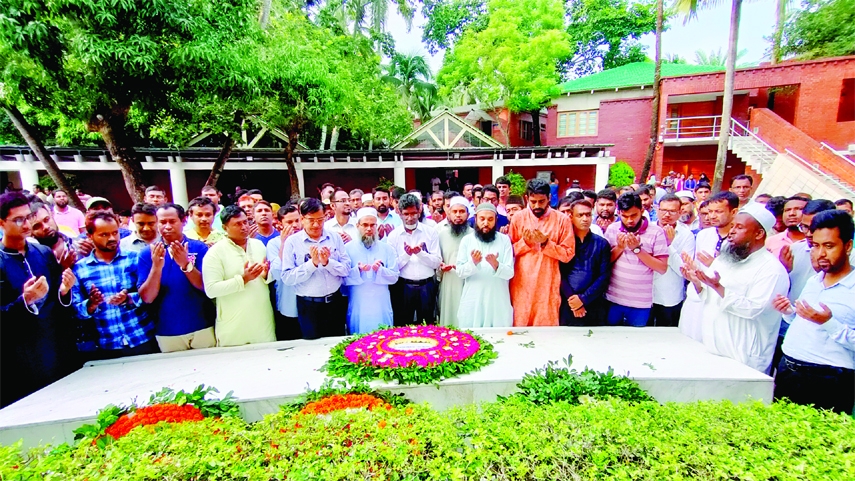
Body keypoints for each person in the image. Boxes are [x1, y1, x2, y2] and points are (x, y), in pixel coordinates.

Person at [681, 203, 789, 373]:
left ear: (759, 234)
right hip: (713, 347)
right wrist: (697, 281)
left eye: (739, 227)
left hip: (744, 354)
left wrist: (717, 287)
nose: (731, 231)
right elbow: (707, 295)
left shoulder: (772, 270)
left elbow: (754, 309)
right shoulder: (725, 258)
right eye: (732, 226)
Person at [772, 210, 855, 413]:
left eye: (829, 246)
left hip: (829, 378)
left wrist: (828, 322)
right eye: (815, 246)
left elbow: (824, 323)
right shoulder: (814, 280)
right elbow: (805, 322)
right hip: (789, 369)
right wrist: (789, 312)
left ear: (848, 246)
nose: (820, 254)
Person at [0, 192, 77, 407]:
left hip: (54, 345)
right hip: (17, 354)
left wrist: (63, 291)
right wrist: (25, 301)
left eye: (28, 217)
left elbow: (57, 303)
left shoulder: (42, 252)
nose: (26, 224)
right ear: (1, 223)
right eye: (18, 219)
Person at [71, 211, 155, 360]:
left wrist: (129, 298)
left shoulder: (134, 259)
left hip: (142, 338)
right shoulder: (80, 269)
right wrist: (91, 305)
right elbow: (76, 311)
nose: (112, 238)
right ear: (90, 236)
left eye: (115, 233)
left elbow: (151, 295)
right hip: (107, 346)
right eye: (104, 235)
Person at [138, 204, 214, 352]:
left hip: (202, 326)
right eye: (162, 222)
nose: (167, 227)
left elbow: (206, 287)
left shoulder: (198, 248)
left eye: (172, 221)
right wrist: (156, 267)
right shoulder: (148, 254)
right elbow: (147, 297)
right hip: (167, 331)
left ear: (183, 221)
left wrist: (186, 265)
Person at [202, 205, 276, 346]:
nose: (244, 227)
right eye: (237, 224)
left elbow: (267, 277)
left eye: (245, 222)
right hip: (234, 326)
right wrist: (243, 279)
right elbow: (211, 290)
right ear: (225, 228)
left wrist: (266, 275)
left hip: (262, 320)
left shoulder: (258, 245)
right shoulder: (215, 253)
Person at [281, 198, 350, 339]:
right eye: (311, 220)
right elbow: (287, 278)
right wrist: (311, 264)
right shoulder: (292, 242)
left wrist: (327, 263)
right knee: (312, 347)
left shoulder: (334, 238)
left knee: (336, 344)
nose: (316, 224)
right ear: (302, 218)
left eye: (320, 219)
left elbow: (346, 269)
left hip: (334, 303)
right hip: (308, 306)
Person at [509, 179, 575, 326]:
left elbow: (568, 254)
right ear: (526, 198)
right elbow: (509, 253)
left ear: (549, 198)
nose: (537, 206)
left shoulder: (562, 220)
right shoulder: (518, 218)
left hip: (548, 284)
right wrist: (525, 242)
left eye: (541, 201)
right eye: (533, 201)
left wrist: (546, 243)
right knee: (520, 327)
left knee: (546, 331)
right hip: (521, 284)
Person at [679, 192, 739, 341]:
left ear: (734, 212)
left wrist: (714, 264)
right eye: (709, 211)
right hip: (698, 297)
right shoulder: (704, 235)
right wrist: (692, 270)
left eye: (718, 211)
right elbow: (698, 267)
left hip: (722, 301)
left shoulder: (739, 240)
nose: (712, 216)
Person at [604, 192, 669, 327]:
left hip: (641, 304)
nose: (629, 220)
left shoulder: (656, 232)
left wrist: (637, 249)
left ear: (642, 210)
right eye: (624, 216)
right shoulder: (612, 229)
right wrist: (619, 248)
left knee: (636, 342)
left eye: (633, 215)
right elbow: (604, 263)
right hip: (612, 299)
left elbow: (662, 268)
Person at [455, 203, 514, 328]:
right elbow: (460, 272)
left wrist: (496, 264)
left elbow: (509, 273)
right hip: (473, 299)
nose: (486, 223)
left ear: (496, 220)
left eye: (490, 219)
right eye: (482, 219)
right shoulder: (467, 240)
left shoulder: (504, 240)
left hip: (497, 299)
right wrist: (473, 263)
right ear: (476, 219)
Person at [387, 193, 442, 325]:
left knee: (428, 324)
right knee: (403, 325)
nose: (410, 218)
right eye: (406, 214)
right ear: (399, 213)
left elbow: (437, 262)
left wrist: (421, 253)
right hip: (404, 287)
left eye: (413, 213)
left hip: (427, 286)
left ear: (419, 211)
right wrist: (407, 255)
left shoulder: (430, 232)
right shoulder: (393, 236)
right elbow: (393, 267)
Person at [344, 208, 400, 333]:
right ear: (357, 226)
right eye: (365, 225)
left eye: (372, 225)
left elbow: (395, 277)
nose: (369, 229)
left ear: (377, 226)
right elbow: (342, 278)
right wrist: (358, 270)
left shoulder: (387, 249)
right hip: (358, 301)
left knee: (383, 337)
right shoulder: (347, 249)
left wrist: (380, 270)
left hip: (381, 302)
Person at [559, 200, 611, 326]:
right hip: (568, 303)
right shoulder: (564, 242)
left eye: (588, 215)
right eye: (580, 215)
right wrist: (574, 302)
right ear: (571, 217)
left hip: (594, 303)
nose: (585, 219)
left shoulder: (601, 243)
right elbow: (559, 273)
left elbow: (603, 277)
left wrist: (583, 299)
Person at [651, 195, 695, 327]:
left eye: (672, 211)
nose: (667, 215)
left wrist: (668, 246)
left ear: (680, 212)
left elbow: (683, 270)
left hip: (670, 296)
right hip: (646, 294)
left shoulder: (686, 235)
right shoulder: (649, 229)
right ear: (657, 209)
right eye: (663, 210)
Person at [266, 202, 302, 341]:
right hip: (288, 302)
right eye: (289, 222)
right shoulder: (274, 244)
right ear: (280, 223)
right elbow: (276, 273)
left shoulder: (308, 239)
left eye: (297, 220)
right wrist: (284, 243)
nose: (295, 225)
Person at [437, 196, 471, 327]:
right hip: (448, 281)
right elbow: (437, 260)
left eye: (462, 212)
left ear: (468, 214)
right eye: (455, 211)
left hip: (467, 282)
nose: (458, 215)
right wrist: (441, 267)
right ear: (448, 213)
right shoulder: (441, 234)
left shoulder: (473, 235)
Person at [28, 202, 76, 267]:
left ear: (52, 216)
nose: (45, 227)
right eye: (37, 226)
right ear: (30, 232)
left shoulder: (77, 243)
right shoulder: (35, 262)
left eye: (46, 220)